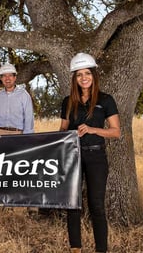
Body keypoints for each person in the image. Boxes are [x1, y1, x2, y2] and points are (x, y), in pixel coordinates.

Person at [60, 53, 120, 253]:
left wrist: (93, 129)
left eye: (87, 73)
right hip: (73, 157)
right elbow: (62, 132)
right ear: (74, 79)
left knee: (96, 205)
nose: (83, 78)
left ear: (93, 75)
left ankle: (101, 249)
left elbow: (116, 131)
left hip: (96, 157)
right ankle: (75, 248)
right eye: (78, 75)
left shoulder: (106, 100)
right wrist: (69, 134)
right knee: (72, 203)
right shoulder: (68, 102)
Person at [0, 62, 34, 135]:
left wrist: (27, 137)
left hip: (17, 134)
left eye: (10, 75)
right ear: (1, 78)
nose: (7, 78)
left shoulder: (24, 95)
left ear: (15, 77)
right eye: (4, 76)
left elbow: (29, 118)